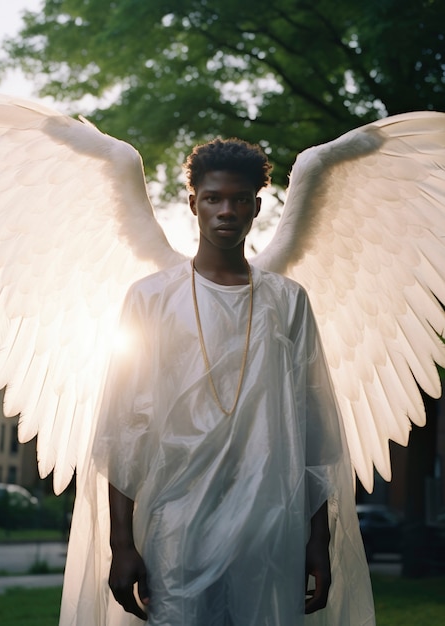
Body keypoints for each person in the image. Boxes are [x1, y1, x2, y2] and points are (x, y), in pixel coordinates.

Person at [91, 138, 375, 625]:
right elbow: (124, 429)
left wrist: (318, 541)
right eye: (213, 198)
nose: (227, 210)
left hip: (268, 527)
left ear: (257, 207)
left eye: (240, 199)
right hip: (175, 526)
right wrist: (121, 544)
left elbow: (314, 431)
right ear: (192, 204)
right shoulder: (151, 299)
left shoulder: (287, 302)